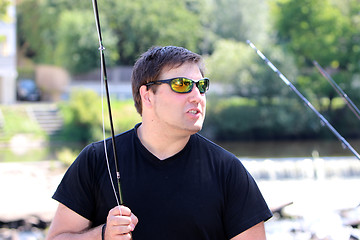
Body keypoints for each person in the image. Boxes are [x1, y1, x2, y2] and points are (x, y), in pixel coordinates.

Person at [46, 46, 272, 240]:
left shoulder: (228, 171)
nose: (197, 96)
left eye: (201, 86)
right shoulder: (96, 160)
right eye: (182, 85)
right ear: (147, 95)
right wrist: (103, 234)